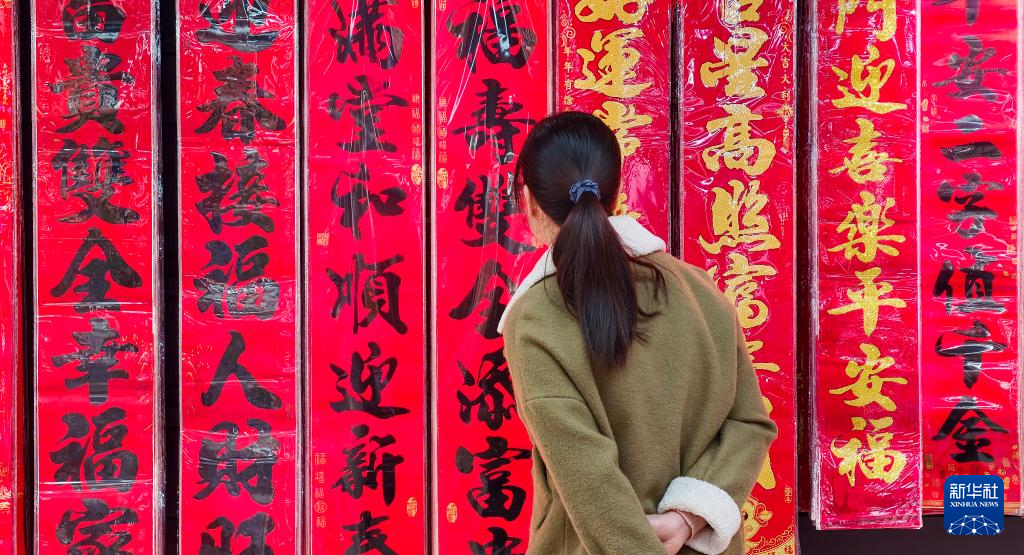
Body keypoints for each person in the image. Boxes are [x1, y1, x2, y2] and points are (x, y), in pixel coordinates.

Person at [499, 111, 777, 555]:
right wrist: (687, 517)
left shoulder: (536, 316)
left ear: (529, 200)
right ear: (615, 192)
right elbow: (748, 424)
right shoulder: (700, 291)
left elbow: (588, 476)